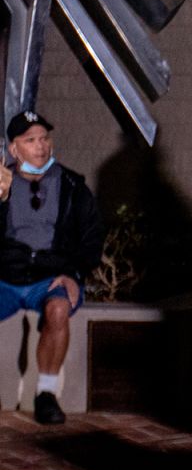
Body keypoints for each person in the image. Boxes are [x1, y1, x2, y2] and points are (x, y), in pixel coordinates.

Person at [0, 112, 104, 425]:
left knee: (58, 310)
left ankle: (45, 395)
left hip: (48, 277)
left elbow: (92, 236)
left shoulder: (72, 185)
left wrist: (74, 274)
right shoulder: (3, 184)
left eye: (44, 138)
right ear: (14, 149)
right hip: (6, 277)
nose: (40, 146)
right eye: (30, 140)